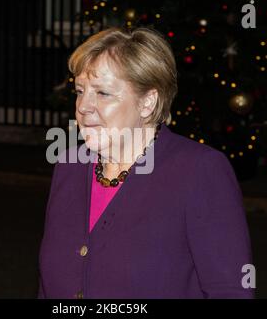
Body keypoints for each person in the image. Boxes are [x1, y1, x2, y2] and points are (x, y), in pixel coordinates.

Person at [38, 26, 254, 299]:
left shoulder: (198, 171)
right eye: (80, 91)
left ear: (148, 102)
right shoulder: (70, 165)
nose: (83, 106)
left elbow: (231, 291)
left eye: (103, 93)